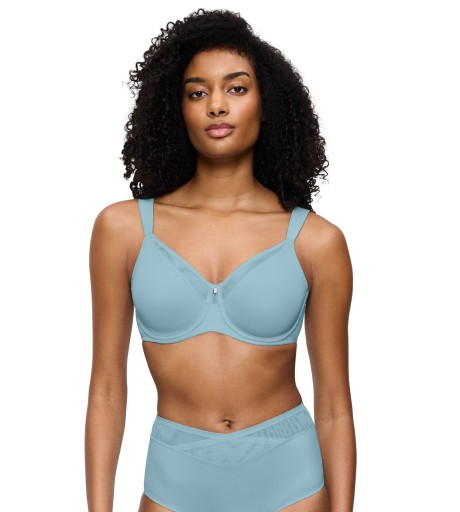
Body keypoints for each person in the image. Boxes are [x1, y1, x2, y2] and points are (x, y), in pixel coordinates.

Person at [85, 8, 356, 512]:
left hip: (290, 483)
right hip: (174, 481)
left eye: (236, 88)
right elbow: (105, 388)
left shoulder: (316, 242)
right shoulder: (123, 230)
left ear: (266, 104)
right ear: (177, 110)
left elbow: (335, 405)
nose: (216, 105)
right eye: (197, 92)